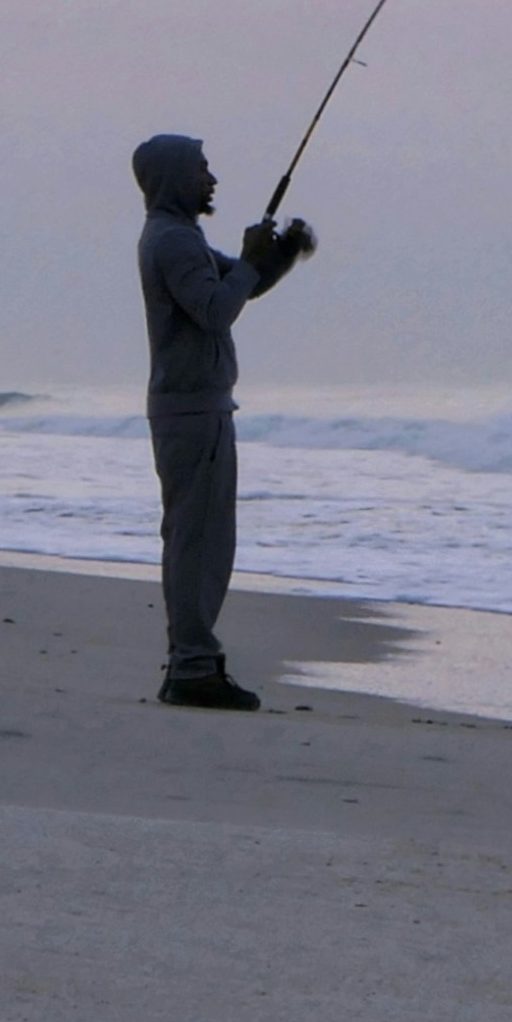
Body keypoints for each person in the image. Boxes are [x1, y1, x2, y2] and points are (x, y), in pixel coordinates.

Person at [132, 132, 313, 709]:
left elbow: (241, 285)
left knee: (197, 540)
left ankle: (192, 662)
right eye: (202, 169)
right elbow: (216, 310)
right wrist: (252, 261)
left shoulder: (178, 237)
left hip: (191, 407)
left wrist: (277, 257)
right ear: (173, 178)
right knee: (200, 543)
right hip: (193, 410)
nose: (211, 179)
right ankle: (191, 666)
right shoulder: (173, 242)